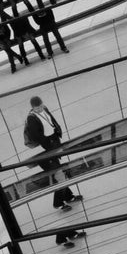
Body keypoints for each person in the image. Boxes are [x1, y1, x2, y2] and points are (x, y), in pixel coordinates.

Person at [24, 97, 83, 228]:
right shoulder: (31, 118)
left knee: (60, 173)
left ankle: (68, 197)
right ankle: (58, 202)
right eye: (37, 108)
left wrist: (57, 133)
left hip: (54, 141)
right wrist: (48, 144)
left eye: (40, 106)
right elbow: (35, 135)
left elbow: (51, 121)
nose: (39, 109)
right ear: (33, 108)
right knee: (59, 175)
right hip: (49, 146)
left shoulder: (44, 109)